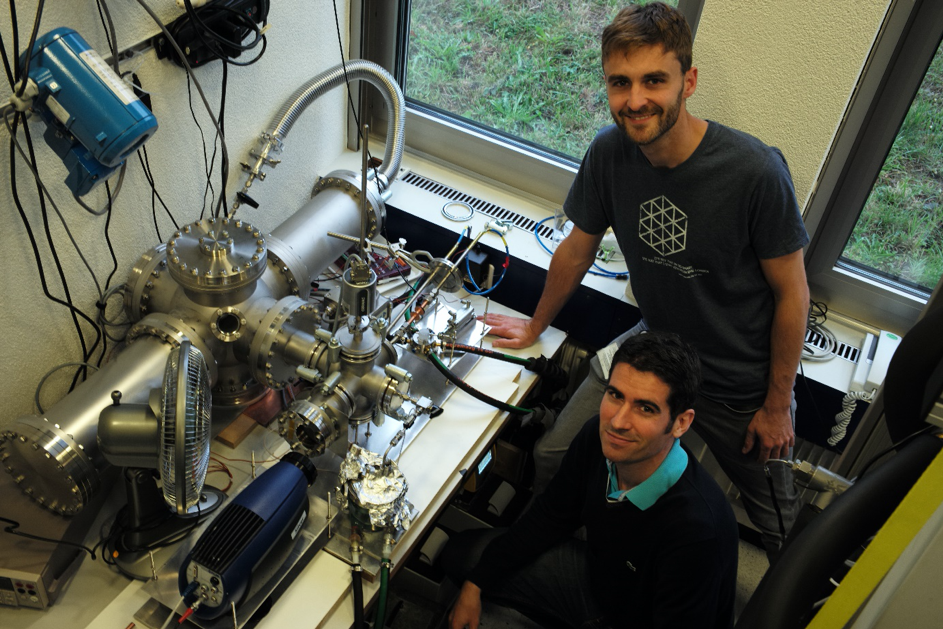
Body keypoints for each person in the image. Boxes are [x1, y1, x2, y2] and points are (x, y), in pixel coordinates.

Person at [483, 2, 810, 553]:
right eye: (620, 82)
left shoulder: (754, 171)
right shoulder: (610, 155)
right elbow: (575, 250)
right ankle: (562, 569)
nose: (635, 100)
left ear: (689, 80)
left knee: (781, 527)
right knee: (554, 456)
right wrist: (535, 325)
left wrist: (777, 405)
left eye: (654, 80)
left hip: (740, 386)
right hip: (655, 352)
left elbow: (793, 293)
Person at [444, 332, 739, 629]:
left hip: (641, 619)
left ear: (680, 423)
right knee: (462, 557)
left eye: (645, 408)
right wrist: (476, 584)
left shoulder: (698, 532)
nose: (618, 422)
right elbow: (550, 517)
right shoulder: (597, 439)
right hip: (601, 584)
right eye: (615, 395)